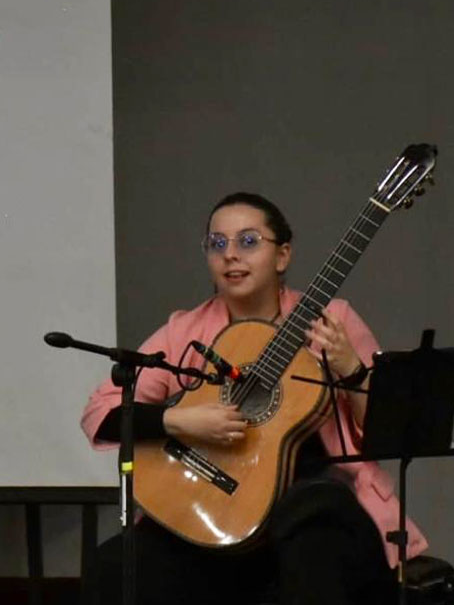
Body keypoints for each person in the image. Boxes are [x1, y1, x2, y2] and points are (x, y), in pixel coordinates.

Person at [81, 192, 425, 605]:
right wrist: (181, 422)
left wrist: (351, 367)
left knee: (315, 536)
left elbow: (392, 433)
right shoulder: (184, 330)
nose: (230, 256)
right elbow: (102, 412)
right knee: (114, 563)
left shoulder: (332, 320)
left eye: (247, 241)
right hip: (214, 508)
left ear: (282, 256)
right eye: (217, 243)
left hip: (311, 507)